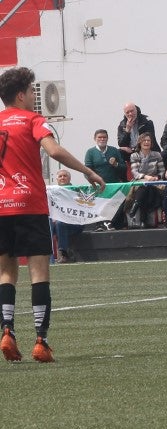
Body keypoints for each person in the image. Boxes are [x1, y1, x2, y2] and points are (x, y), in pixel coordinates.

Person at [0, 66, 106, 363]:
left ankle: (7, 331)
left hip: (1, 205)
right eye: (32, 91)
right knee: (38, 273)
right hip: (30, 204)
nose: (35, 97)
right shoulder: (34, 120)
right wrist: (87, 171)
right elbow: (54, 151)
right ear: (20, 95)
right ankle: (40, 340)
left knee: (6, 273)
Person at [127, 132, 166, 228]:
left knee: (147, 190)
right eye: (144, 140)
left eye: (148, 140)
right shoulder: (134, 156)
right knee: (144, 186)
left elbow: (162, 171)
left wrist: (157, 177)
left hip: (155, 182)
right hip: (140, 181)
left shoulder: (157, 155)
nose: (146, 142)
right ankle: (143, 220)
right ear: (140, 142)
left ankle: (136, 207)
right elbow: (135, 173)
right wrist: (146, 177)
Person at [49, 169, 84, 264]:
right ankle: (48, 256)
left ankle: (63, 253)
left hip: (75, 224)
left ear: (69, 178)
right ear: (57, 179)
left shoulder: (76, 191)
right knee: (48, 223)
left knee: (60, 223)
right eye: (60, 176)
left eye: (65, 176)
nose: (62, 178)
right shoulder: (52, 192)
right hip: (59, 224)